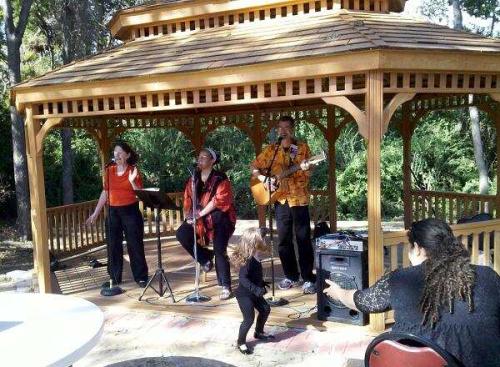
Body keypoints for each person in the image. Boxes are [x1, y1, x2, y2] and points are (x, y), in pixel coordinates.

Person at [324, 218, 500, 367]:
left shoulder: (400, 279)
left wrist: (338, 292)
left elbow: (361, 301)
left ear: (418, 248)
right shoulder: (489, 276)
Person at [250, 115, 316, 294]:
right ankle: (291, 276)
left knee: (303, 239)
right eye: (280, 127)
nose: (283, 130)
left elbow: (311, 169)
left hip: (298, 198)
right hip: (280, 198)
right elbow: (254, 168)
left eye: (286, 127)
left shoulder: (301, 148)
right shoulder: (271, 149)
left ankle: (308, 278)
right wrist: (265, 178)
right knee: (283, 240)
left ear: (292, 129)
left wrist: (307, 167)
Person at [176, 147, 236, 300]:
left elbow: (218, 201)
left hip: (220, 218)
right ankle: (205, 259)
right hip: (199, 218)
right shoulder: (193, 178)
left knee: (219, 248)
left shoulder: (221, 178)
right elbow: (188, 198)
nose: (200, 159)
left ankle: (225, 285)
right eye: (199, 156)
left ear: (212, 161)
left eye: (204, 157)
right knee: (182, 233)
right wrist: (190, 215)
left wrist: (199, 214)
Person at [86, 141, 149, 288]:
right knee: (112, 246)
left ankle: (141, 277)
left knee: (135, 245)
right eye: (115, 152)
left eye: (120, 152)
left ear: (127, 155)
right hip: (113, 212)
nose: (117, 154)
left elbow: (140, 195)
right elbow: (105, 192)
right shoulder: (110, 170)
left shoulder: (133, 170)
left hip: (130, 211)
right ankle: (114, 278)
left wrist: (132, 181)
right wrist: (96, 213)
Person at [230, 228, 274, 355]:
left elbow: (254, 276)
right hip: (244, 295)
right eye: (262, 239)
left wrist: (261, 284)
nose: (264, 241)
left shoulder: (255, 255)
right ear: (254, 243)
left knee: (265, 309)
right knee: (248, 319)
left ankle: (258, 332)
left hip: (254, 292)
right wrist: (256, 289)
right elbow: (243, 278)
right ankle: (241, 342)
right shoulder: (248, 260)